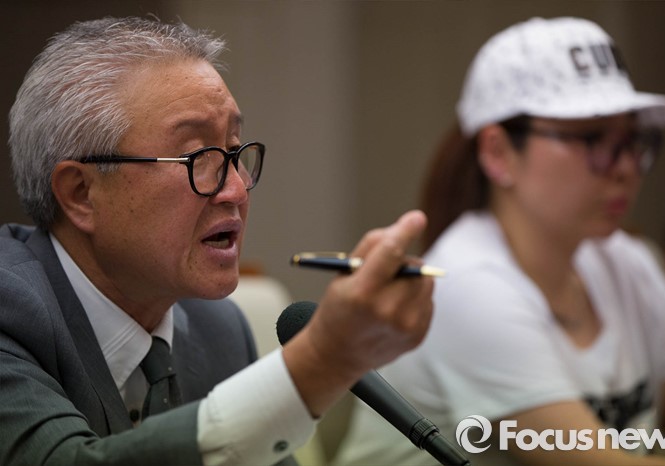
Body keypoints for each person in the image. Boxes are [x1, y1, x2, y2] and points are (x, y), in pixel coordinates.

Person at [0, 16, 435, 466]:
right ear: (81, 193)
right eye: (198, 156)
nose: (237, 189)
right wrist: (320, 362)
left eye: (234, 150)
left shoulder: (218, 328)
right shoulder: (9, 310)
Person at [333, 16, 665, 466]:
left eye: (633, 141)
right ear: (498, 152)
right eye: (593, 138)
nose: (625, 168)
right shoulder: (466, 283)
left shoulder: (628, 261)